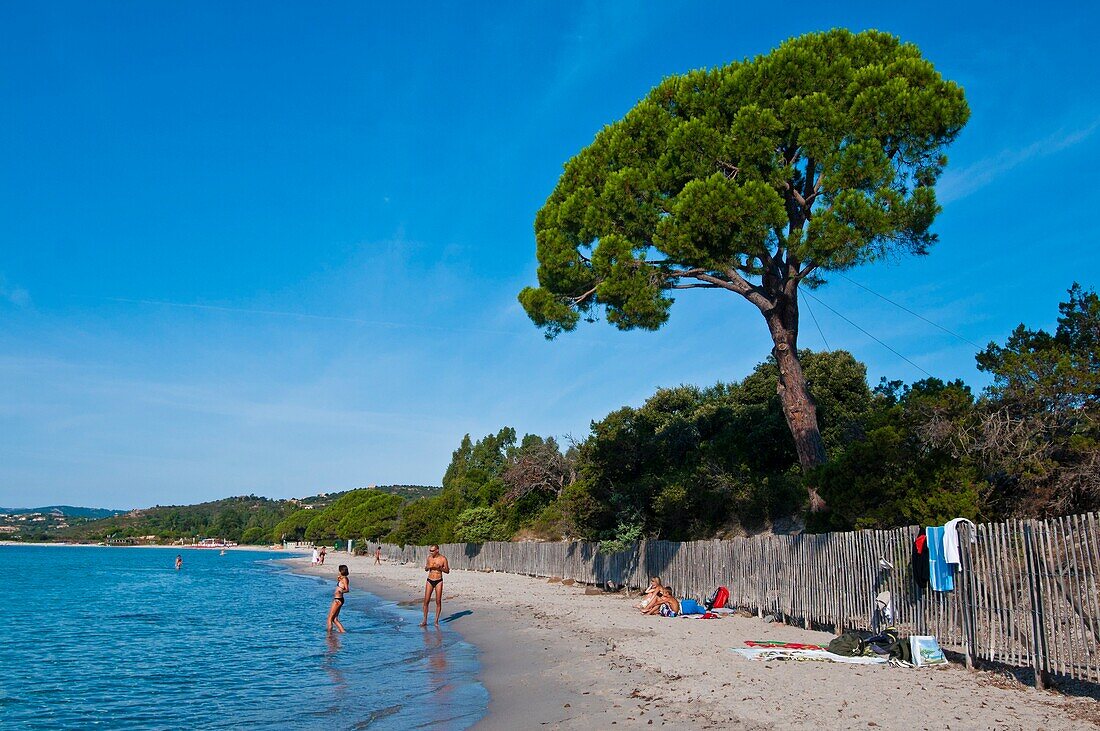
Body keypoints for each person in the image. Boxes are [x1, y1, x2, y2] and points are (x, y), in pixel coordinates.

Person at [420, 545, 450, 627]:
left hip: (439, 580)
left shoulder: (443, 559)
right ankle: (424, 621)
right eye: (430, 550)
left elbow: (447, 571)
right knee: (426, 601)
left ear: (437, 550)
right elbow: (426, 568)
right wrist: (428, 567)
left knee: (438, 601)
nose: (431, 552)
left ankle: (436, 621)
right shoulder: (429, 558)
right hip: (429, 580)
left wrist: (440, 568)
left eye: (432, 550)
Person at [327, 564, 350, 633]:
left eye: (339, 571)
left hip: (338, 600)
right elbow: (341, 584)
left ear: (341, 571)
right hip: (338, 599)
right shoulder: (343, 578)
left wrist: (341, 591)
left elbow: (347, 589)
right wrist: (339, 579)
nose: (338, 572)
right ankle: (343, 632)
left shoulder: (345, 579)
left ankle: (329, 635)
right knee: (335, 619)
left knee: (329, 618)